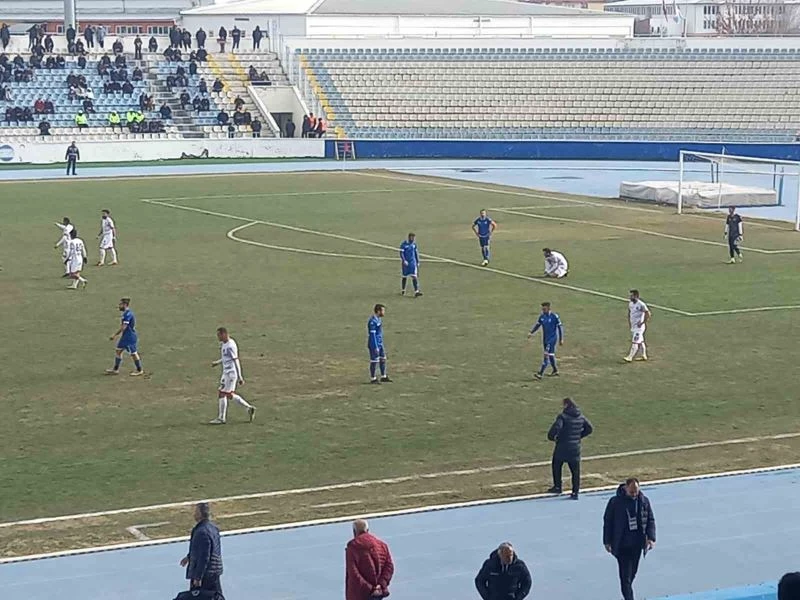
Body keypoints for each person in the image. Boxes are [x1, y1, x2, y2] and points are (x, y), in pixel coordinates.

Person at [603, 478, 656, 600]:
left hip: (637, 544)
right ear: (626, 488)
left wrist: (651, 537)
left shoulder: (643, 501)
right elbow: (608, 522)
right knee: (625, 578)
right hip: (622, 545)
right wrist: (607, 541)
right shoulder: (615, 502)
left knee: (632, 574)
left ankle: (627, 593)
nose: (634, 494)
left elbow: (650, 519)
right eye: (631, 492)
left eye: (636, 491)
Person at [547, 397, 593, 499]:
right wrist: (579, 436)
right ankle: (575, 492)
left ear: (566, 405)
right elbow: (589, 428)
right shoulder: (581, 416)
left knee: (556, 465)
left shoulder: (563, 417)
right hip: (575, 448)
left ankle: (558, 486)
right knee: (575, 471)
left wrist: (552, 437)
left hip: (562, 446)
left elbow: (556, 428)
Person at [209, 327, 255, 425]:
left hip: (230, 374)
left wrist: (240, 376)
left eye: (219, 335)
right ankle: (249, 408)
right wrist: (217, 362)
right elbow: (226, 358)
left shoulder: (230, 346)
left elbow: (236, 360)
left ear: (224, 334)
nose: (218, 337)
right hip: (226, 373)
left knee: (222, 394)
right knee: (229, 395)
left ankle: (221, 418)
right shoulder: (224, 344)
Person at [180, 503, 224, 594]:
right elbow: (208, 548)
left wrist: (198, 577)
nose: (194, 514)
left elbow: (204, 556)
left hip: (206, 575)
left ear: (200, 514)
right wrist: (189, 557)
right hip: (214, 571)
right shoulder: (213, 528)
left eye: (196, 511)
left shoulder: (201, 532)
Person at [345, 519, 394, 600]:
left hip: (360, 594)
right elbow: (389, 567)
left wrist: (370, 588)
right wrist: (381, 585)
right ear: (367, 530)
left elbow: (353, 573)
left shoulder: (353, 547)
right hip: (378, 593)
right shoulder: (382, 545)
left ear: (354, 531)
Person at [107, 298, 144, 376]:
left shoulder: (128, 314)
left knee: (133, 354)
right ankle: (115, 369)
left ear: (125, 305)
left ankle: (139, 370)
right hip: (125, 337)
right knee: (118, 351)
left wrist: (115, 335)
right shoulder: (126, 313)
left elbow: (124, 327)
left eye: (120, 304)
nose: (119, 306)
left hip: (130, 337)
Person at [528, 301, 563, 380]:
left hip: (552, 339)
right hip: (545, 339)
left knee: (546, 355)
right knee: (551, 355)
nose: (543, 310)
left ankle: (540, 373)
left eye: (544, 309)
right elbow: (537, 325)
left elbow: (560, 327)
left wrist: (561, 339)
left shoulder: (554, 316)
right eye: (542, 309)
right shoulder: (542, 317)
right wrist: (531, 332)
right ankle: (555, 370)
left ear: (548, 308)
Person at [624, 289, 651, 363]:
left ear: (636, 296)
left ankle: (630, 357)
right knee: (641, 341)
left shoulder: (641, 304)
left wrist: (642, 322)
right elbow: (630, 312)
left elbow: (648, 313)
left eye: (631, 296)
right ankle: (644, 355)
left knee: (635, 342)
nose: (630, 297)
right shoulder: (631, 303)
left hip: (639, 328)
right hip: (634, 326)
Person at [368, 304, 391, 384]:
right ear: (378, 311)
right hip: (374, 344)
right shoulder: (372, 322)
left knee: (383, 358)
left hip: (380, 343)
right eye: (383, 310)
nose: (384, 312)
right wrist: (375, 346)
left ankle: (383, 376)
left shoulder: (378, 319)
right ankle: (373, 378)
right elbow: (372, 335)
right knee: (374, 361)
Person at [399, 232, 422, 297]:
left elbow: (416, 253)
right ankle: (403, 290)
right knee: (404, 276)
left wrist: (417, 261)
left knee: (414, 276)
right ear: (409, 237)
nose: (413, 239)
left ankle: (416, 291)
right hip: (406, 263)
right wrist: (404, 260)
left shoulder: (414, 245)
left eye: (414, 238)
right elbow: (401, 253)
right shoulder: (404, 244)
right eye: (412, 238)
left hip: (412, 263)